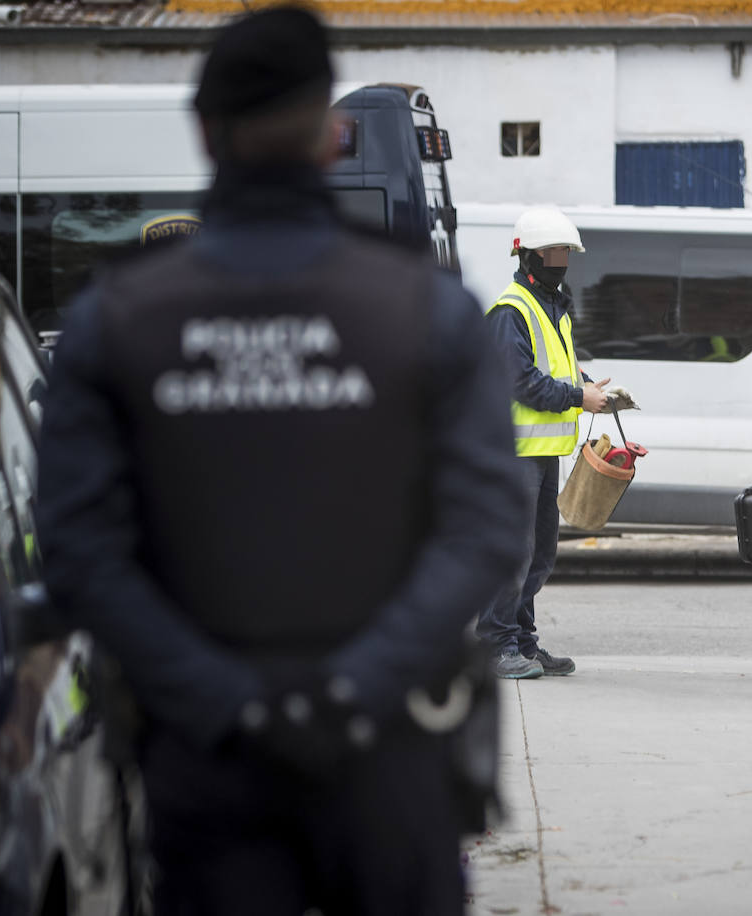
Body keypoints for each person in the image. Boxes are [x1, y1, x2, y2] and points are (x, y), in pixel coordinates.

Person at [35, 8, 528, 914]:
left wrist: (229, 705)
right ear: (330, 134)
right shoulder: (425, 308)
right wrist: (354, 690)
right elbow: (486, 526)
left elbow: (77, 551)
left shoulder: (120, 320)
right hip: (390, 751)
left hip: (205, 762)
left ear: (203, 132)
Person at [478, 205, 612, 679]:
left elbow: (560, 367)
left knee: (539, 552)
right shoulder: (510, 312)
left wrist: (593, 387)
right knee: (513, 553)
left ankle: (522, 642)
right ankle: (495, 646)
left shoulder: (555, 309)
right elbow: (523, 383)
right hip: (515, 453)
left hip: (542, 453)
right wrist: (580, 397)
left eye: (566, 253)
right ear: (527, 256)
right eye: (553, 252)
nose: (562, 261)